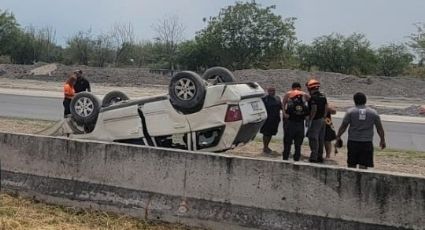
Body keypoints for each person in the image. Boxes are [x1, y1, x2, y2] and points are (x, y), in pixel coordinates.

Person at [336, 92, 386, 169]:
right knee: (363, 165)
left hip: (353, 141)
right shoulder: (373, 113)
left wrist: (338, 137)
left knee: (351, 164)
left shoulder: (350, 112)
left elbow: (343, 126)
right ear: (365, 100)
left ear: (354, 101)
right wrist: (382, 140)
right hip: (367, 142)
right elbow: (379, 128)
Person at [282, 83, 309, 161]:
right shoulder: (302, 98)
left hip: (293, 123)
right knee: (296, 143)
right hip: (298, 123)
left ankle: (287, 158)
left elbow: (283, 105)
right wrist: (284, 114)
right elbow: (283, 104)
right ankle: (295, 158)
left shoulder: (292, 97)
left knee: (290, 142)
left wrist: (285, 114)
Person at [306, 79, 328, 163]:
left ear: (310, 88)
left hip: (315, 120)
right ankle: (320, 156)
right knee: (320, 138)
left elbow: (314, 109)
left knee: (313, 138)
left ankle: (313, 157)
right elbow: (326, 108)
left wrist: (310, 119)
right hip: (322, 120)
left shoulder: (313, 98)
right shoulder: (323, 96)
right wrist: (324, 117)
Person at [260, 87, 282, 154]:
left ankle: (266, 147)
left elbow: (281, 107)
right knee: (266, 133)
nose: (272, 92)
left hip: (275, 119)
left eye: (273, 90)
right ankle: (265, 147)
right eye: (271, 91)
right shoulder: (264, 99)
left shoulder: (278, 98)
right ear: (268, 91)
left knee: (271, 134)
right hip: (267, 120)